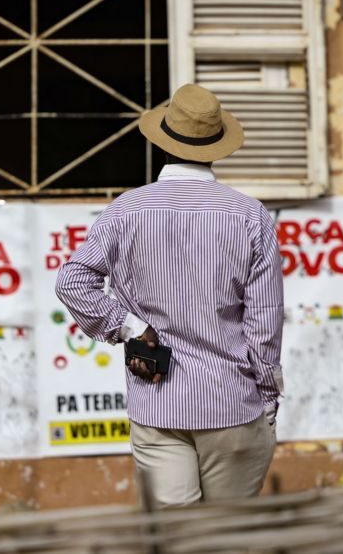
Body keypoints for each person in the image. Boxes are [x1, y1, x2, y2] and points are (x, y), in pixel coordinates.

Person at [55, 83, 284, 507]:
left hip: (157, 406)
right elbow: (264, 323)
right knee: (227, 540)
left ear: (161, 144)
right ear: (216, 148)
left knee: (179, 541)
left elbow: (72, 282)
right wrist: (267, 400)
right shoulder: (250, 217)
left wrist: (130, 327)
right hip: (234, 406)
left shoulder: (126, 211)